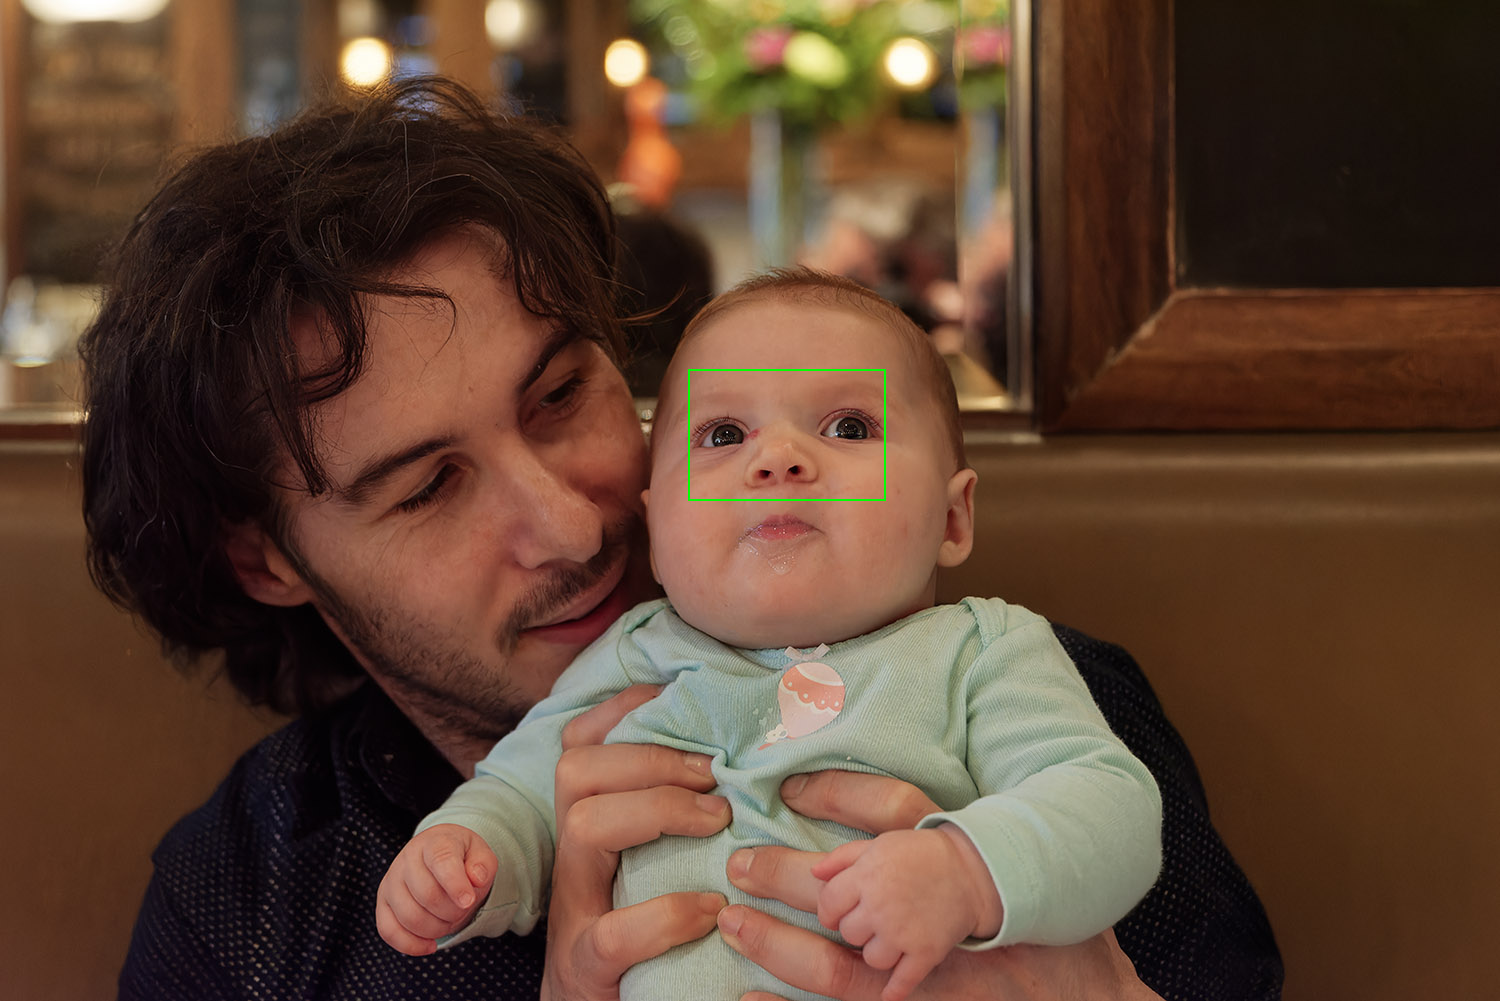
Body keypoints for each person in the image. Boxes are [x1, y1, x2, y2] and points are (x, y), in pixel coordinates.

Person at [76, 76, 1282, 1000]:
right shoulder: (249, 894)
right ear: (268, 557)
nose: (571, 521)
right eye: (430, 485)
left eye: (561, 396)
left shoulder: (1035, 699)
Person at [378, 269, 1165, 1001]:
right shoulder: (631, 657)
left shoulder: (982, 652)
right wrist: (467, 853)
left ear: (953, 518)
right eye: (723, 436)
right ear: (658, 530)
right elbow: (523, 792)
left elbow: (1110, 807)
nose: (779, 459)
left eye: (849, 426)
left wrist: (966, 868)